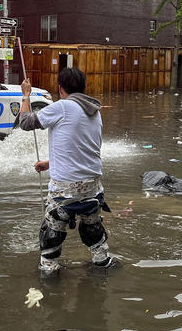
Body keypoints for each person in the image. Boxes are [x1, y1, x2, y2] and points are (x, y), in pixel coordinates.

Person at [19, 68, 113, 274]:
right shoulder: (94, 111)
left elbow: (25, 123)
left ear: (60, 89)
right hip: (93, 188)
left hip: (65, 191)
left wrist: (26, 95)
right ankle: (102, 265)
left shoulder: (62, 107)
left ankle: (50, 278)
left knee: (51, 235)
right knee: (94, 232)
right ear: (83, 87)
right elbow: (82, 149)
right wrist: (50, 163)